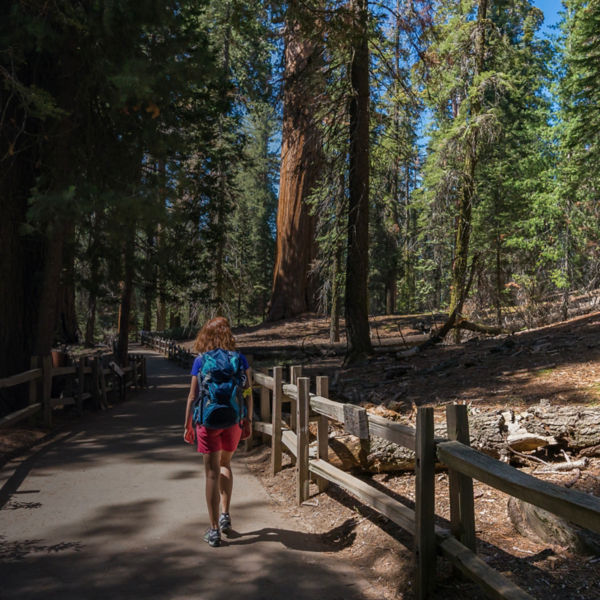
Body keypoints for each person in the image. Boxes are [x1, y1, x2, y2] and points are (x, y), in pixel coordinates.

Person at [184, 316, 253, 547]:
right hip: (233, 420)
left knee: (212, 473)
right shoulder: (239, 359)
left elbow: (193, 397)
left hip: (208, 422)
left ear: (206, 335)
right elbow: (247, 392)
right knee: (226, 465)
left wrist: (188, 425)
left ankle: (213, 530)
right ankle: (225, 514)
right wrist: (248, 419)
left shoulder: (201, 361)